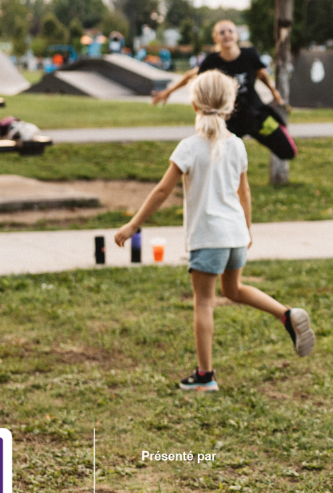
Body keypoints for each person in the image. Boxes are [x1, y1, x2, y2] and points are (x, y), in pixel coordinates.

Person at [116, 70, 314, 390]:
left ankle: (205, 376)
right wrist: (246, 230)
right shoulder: (236, 145)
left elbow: (162, 191)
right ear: (230, 105)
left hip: (208, 238)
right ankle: (286, 314)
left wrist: (134, 224)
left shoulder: (189, 147)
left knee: (204, 302)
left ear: (193, 104)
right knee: (233, 290)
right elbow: (244, 192)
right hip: (234, 235)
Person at [152, 20, 298, 161]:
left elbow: (262, 74)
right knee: (218, 159)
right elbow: (190, 76)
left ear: (237, 35)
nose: (226, 34)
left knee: (288, 152)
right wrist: (168, 91)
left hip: (256, 114)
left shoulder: (249, 55)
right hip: (228, 120)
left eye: (230, 31)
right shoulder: (213, 61)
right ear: (216, 38)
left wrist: (274, 91)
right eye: (222, 32)